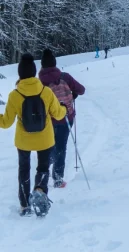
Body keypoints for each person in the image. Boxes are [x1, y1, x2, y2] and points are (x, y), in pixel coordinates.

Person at [0, 53, 67, 216]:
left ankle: (24, 205)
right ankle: (39, 191)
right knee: (43, 168)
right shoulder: (46, 92)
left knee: (24, 170)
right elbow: (58, 114)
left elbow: (6, 122)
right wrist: (64, 108)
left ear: (20, 74)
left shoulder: (14, 95)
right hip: (45, 139)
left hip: (23, 141)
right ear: (34, 72)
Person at [39, 49, 85, 188]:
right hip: (66, 117)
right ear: (54, 63)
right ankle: (58, 179)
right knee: (61, 147)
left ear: (42, 66)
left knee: (50, 145)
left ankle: (50, 159)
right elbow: (81, 90)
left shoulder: (39, 82)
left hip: (49, 120)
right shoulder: (65, 77)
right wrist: (73, 94)